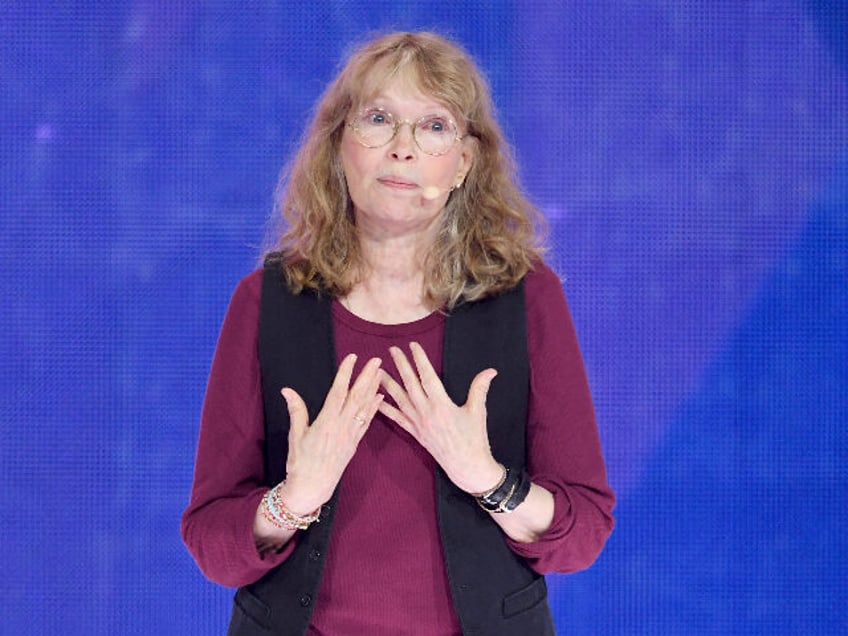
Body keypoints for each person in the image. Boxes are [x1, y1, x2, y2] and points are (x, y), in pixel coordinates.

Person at [181, 31, 615, 636]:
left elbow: (583, 534)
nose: (402, 149)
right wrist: (293, 500)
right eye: (379, 119)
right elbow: (211, 540)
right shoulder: (265, 303)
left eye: (434, 126)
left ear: (465, 162)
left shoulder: (527, 300)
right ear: (338, 149)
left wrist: (487, 479)